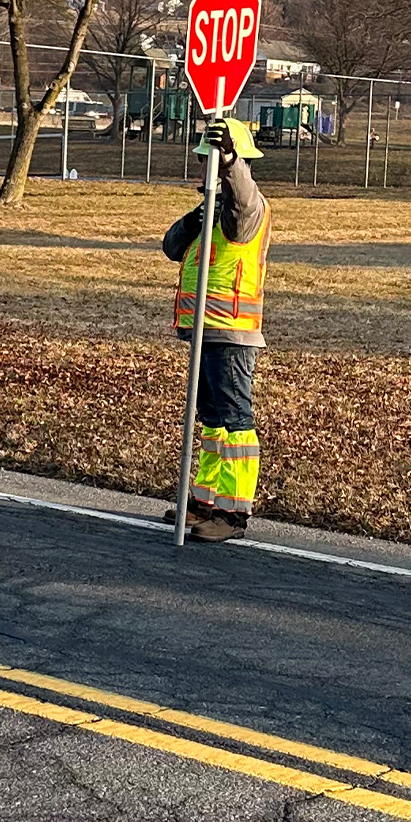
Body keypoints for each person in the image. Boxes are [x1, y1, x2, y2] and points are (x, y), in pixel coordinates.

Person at [161, 118, 272, 543]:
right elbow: (172, 247)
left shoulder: (247, 209)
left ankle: (233, 513)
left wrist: (229, 161)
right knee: (210, 422)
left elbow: (241, 202)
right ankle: (205, 501)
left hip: (231, 333)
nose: (201, 168)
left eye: (208, 162)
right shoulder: (210, 211)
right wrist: (197, 215)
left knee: (235, 421)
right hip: (203, 333)